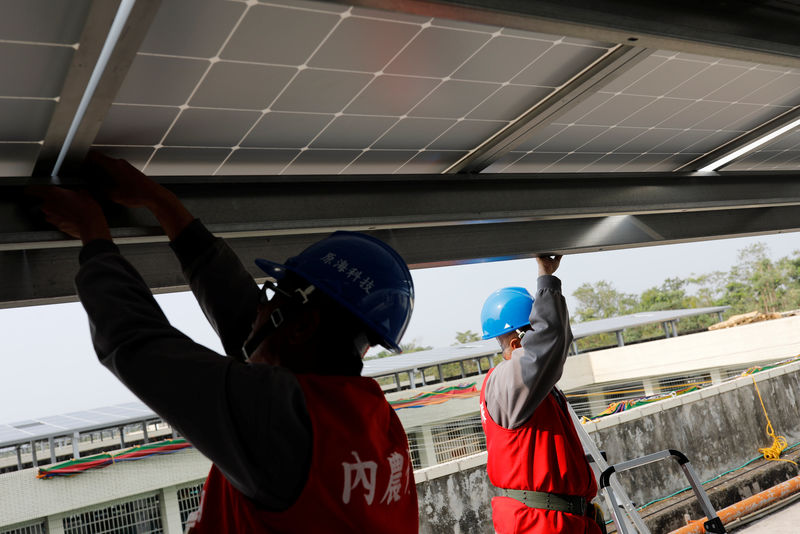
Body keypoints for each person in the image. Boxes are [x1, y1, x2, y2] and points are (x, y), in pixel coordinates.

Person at [32, 152, 419, 532]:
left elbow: (139, 344)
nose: (258, 310)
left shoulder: (285, 421)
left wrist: (94, 235)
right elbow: (243, 323)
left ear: (301, 327)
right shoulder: (372, 424)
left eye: (271, 298)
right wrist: (159, 202)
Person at [478, 255, 603, 534]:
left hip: (557, 520)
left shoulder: (527, 387)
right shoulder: (507, 382)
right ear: (515, 341)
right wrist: (545, 275)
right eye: (532, 331)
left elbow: (555, 341)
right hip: (539, 524)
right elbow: (551, 339)